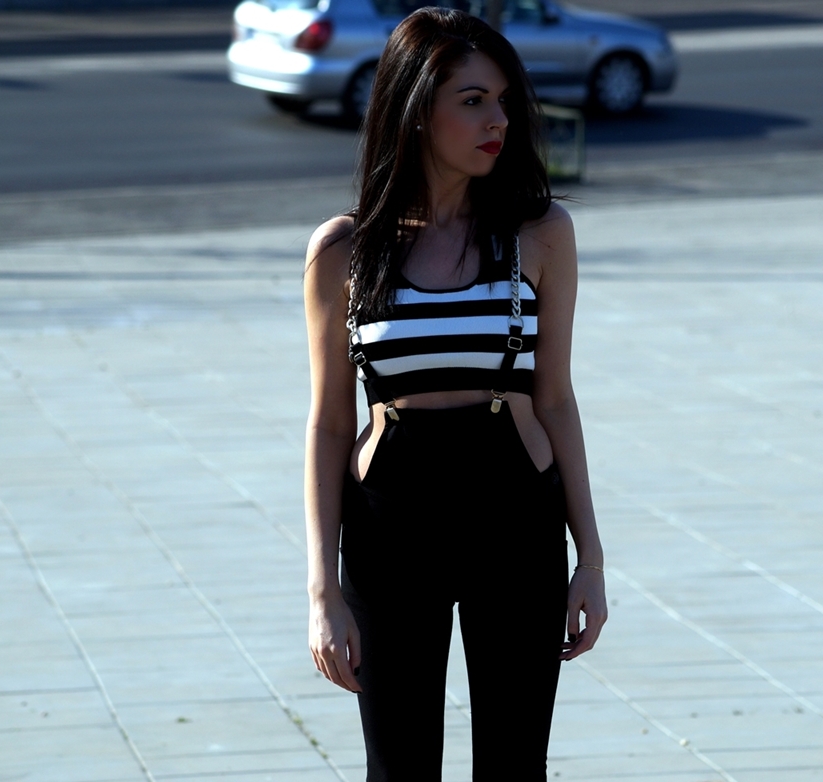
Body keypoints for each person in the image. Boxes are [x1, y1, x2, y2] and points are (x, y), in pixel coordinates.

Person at [301, 8, 607, 780]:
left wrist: (591, 560)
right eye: (472, 101)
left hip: (517, 516)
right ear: (414, 108)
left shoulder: (540, 232)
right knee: (398, 767)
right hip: (390, 527)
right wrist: (322, 590)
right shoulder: (344, 250)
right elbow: (330, 424)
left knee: (514, 765)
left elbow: (557, 400)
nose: (497, 119)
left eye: (503, 100)